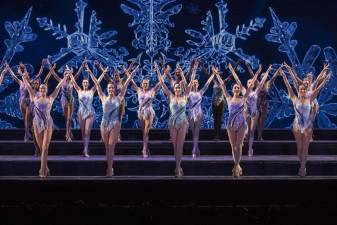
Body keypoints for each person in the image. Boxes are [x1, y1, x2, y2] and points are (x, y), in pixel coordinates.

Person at [280, 64, 330, 177]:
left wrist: (325, 78)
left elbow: (318, 87)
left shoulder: (310, 98)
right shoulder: (294, 99)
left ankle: (303, 168)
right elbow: (289, 86)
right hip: (297, 126)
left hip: (307, 126)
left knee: (306, 147)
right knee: (300, 147)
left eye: (304, 89)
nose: (302, 90)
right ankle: (301, 162)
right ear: (298, 90)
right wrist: (284, 75)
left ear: (305, 89)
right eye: (300, 89)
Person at [88, 63, 138, 176]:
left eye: (112, 88)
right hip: (104, 124)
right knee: (107, 147)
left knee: (111, 146)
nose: (111, 89)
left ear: (114, 90)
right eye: (109, 88)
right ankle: (109, 165)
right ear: (108, 89)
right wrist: (91, 72)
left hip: (115, 123)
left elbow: (125, 85)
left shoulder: (119, 98)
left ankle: (110, 168)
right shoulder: (103, 97)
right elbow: (97, 83)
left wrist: (132, 74)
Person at [214, 63, 261, 177]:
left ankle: (236, 166)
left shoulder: (244, 98)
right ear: (233, 89)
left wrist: (258, 73)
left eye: (238, 88)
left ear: (240, 90)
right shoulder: (228, 98)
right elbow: (222, 85)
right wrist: (216, 74)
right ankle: (237, 165)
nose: (236, 88)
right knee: (233, 146)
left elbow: (249, 87)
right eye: (235, 87)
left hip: (241, 124)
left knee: (238, 146)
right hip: (230, 124)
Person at [154, 60, 199, 178]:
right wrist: (158, 70)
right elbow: (161, 83)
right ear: (174, 89)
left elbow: (189, 82)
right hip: (173, 122)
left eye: (179, 88)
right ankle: (177, 166)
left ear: (181, 89)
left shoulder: (185, 95)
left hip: (183, 122)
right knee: (175, 147)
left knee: (180, 146)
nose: (178, 89)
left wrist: (194, 68)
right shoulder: (171, 95)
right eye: (176, 88)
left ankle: (179, 168)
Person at [21, 63, 66, 178]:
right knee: (41, 148)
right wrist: (22, 76)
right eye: (41, 88)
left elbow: (58, 87)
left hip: (47, 123)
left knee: (45, 147)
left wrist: (66, 77)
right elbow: (28, 85)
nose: (42, 89)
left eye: (44, 88)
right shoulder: (34, 97)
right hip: (36, 123)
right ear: (39, 90)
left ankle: (42, 170)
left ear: (46, 90)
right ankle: (46, 167)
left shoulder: (50, 98)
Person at [69, 62, 108, 157]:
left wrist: (101, 73)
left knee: (87, 132)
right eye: (84, 82)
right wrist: (70, 74)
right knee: (83, 132)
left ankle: (85, 150)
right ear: (82, 84)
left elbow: (97, 82)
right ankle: (86, 147)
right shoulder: (79, 90)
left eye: (86, 82)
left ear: (88, 83)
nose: (85, 83)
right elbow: (73, 81)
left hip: (90, 112)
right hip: (81, 113)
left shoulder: (92, 91)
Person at [244, 64, 280, 157]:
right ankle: (250, 135)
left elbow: (274, 77)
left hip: (264, 104)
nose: (264, 76)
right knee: (253, 121)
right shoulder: (257, 84)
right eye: (262, 76)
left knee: (261, 121)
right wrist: (248, 67)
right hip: (256, 103)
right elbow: (253, 75)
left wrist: (277, 70)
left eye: (265, 76)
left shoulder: (268, 84)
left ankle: (260, 136)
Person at [129, 70, 165, 158]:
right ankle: (146, 148)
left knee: (146, 132)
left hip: (149, 112)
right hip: (141, 112)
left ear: (148, 84)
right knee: (144, 132)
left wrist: (165, 73)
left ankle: (144, 149)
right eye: (144, 83)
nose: (145, 85)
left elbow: (160, 82)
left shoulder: (152, 91)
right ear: (141, 84)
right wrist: (128, 71)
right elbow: (130, 80)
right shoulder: (138, 90)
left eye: (147, 83)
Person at [49, 60, 87, 142]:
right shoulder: (61, 81)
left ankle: (67, 134)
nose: (67, 74)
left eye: (68, 73)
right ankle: (69, 132)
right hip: (64, 100)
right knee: (67, 118)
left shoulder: (72, 81)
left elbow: (78, 73)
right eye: (65, 73)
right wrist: (50, 65)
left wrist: (82, 65)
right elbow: (53, 73)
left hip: (71, 100)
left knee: (69, 118)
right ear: (64, 75)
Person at [187, 69, 215, 158]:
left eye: (196, 82)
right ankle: (196, 148)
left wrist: (213, 74)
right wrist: (194, 69)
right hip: (191, 113)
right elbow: (186, 81)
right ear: (191, 84)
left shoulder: (200, 92)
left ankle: (194, 150)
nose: (195, 83)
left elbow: (207, 84)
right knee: (193, 132)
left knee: (197, 132)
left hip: (199, 112)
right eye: (193, 82)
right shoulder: (188, 93)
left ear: (198, 84)